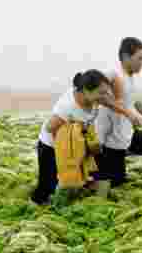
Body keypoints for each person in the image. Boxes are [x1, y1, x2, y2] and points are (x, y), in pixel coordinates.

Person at [30, 70, 111, 205]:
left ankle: (91, 199)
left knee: (94, 173)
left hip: (79, 143)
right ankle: (36, 206)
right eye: (101, 92)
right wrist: (71, 144)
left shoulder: (92, 99)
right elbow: (50, 128)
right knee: (47, 185)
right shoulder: (67, 107)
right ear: (86, 90)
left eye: (106, 92)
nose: (105, 96)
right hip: (51, 147)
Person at [94, 37, 142, 190]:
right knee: (112, 183)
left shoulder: (130, 78)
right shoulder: (113, 73)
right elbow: (98, 96)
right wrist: (128, 114)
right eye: (139, 58)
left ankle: (117, 161)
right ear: (125, 56)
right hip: (106, 139)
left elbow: (135, 102)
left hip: (122, 136)